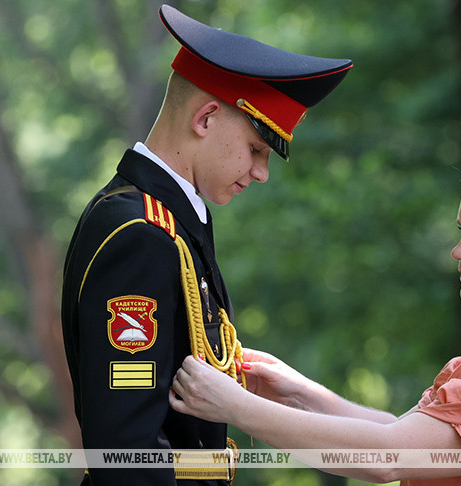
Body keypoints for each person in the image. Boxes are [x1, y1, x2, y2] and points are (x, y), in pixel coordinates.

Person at [169, 145, 461, 485]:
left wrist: (235, 407)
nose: (458, 251)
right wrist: (297, 393)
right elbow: (404, 434)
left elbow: (389, 456)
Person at [60, 5, 352, 485]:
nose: (261, 172)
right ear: (207, 118)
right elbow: (127, 455)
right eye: (258, 150)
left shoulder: (168, 221)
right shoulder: (143, 234)